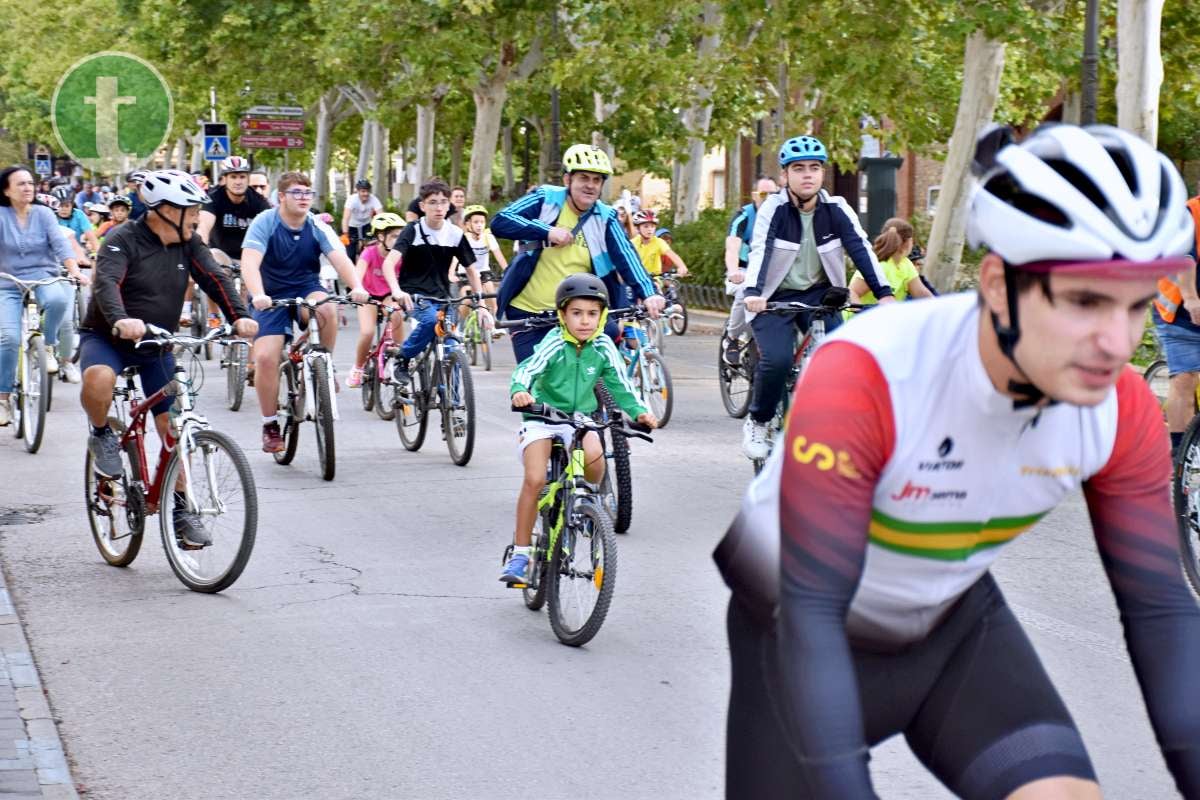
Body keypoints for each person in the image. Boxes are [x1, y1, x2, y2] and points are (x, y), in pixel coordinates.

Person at [715, 123, 1200, 799]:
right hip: (797, 631)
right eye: (1086, 301)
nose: (1116, 344)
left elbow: (1160, 611)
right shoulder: (869, 371)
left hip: (950, 625)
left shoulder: (1119, 408)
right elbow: (811, 611)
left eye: (1138, 307)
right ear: (999, 285)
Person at [79, 169, 254, 548]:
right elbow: (106, 283)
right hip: (108, 336)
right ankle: (101, 434)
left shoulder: (189, 241)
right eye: (191, 209)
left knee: (174, 427)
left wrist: (239, 316)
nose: (196, 216)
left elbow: (216, 278)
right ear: (164, 209)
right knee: (98, 377)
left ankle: (180, 510)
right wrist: (121, 319)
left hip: (157, 344)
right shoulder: (121, 239)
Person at [741, 135, 895, 460]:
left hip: (819, 295)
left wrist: (884, 294)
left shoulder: (836, 209)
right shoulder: (774, 209)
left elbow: (860, 249)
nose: (807, 174)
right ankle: (759, 419)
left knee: (844, 361)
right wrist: (754, 293)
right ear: (785, 176)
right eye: (798, 168)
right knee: (777, 361)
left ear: (823, 174)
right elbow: (760, 252)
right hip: (772, 297)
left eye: (814, 168)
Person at [502, 274, 657, 583]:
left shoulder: (602, 346)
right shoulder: (554, 341)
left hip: (580, 418)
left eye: (592, 313)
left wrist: (640, 412)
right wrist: (520, 390)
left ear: (601, 316)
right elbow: (527, 368)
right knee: (534, 479)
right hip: (542, 418)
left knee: (595, 460)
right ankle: (521, 553)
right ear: (563, 315)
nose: (585, 321)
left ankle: (586, 506)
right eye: (576, 313)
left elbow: (620, 384)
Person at [491, 143, 665, 362]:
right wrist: (547, 231)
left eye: (596, 180)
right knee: (532, 385)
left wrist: (649, 293)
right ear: (567, 180)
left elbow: (627, 257)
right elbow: (501, 221)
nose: (590, 186)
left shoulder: (605, 217)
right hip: (529, 313)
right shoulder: (546, 199)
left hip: (577, 315)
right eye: (583, 178)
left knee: (596, 373)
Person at [240, 172, 368, 452]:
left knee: (328, 310)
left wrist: (357, 286)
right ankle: (270, 424)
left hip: (305, 287)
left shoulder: (317, 226)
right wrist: (259, 294)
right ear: (281, 197)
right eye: (296, 193)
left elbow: (340, 260)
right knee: (264, 358)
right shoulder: (265, 222)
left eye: (307, 193)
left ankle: (324, 363)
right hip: (269, 294)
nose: (303, 198)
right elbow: (249, 263)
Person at [0, 166, 90, 425]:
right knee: (8, 337)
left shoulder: (43, 214)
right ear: (6, 190)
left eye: (30, 183)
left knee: (59, 299)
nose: (28, 188)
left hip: (43, 275)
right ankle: (3, 398)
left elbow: (61, 245)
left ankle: (49, 346)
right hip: (7, 282)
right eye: (21, 184)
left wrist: (75, 272)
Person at [380, 179, 477, 387]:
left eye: (443, 201)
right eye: (433, 202)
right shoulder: (412, 230)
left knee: (453, 349)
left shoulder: (455, 233)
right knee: (431, 321)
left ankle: (452, 408)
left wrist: (483, 306)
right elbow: (389, 264)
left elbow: (472, 270)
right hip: (414, 295)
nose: (439, 207)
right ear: (423, 206)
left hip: (444, 298)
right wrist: (397, 291)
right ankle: (403, 359)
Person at [1152, 190, 1200, 456]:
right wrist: (1191, 298)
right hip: (1179, 312)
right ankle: (1180, 456)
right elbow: (1184, 258)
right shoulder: (1189, 213)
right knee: (1185, 378)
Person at [346, 212, 406, 389]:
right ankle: (358, 367)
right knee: (367, 332)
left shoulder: (400, 255)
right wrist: (357, 290)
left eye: (400, 235)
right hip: (368, 296)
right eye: (394, 235)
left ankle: (400, 359)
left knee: (396, 316)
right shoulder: (369, 252)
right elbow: (357, 275)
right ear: (381, 236)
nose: (399, 239)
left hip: (389, 295)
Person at [845, 216, 933, 318]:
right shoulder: (879, 266)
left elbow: (922, 293)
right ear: (908, 242)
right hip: (857, 326)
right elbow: (852, 292)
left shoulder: (906, 264)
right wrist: (863, 319)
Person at [197, 156, 272, 263]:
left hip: (250, 257)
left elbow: (270, 231)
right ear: (225, 179)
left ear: (248, 179)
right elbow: (203, 227)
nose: (238, 182)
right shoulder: (213, 198)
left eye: (242, 177)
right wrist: (198, 256)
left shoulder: (258, 201)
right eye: (233, 177)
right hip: (220, 257)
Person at [456, 204, 507, 322]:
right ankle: (460, 325)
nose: (479, 225)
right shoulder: (464, 238)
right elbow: (456, 258)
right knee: (467, 300)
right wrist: (450, 273)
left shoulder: (488, 237)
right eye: (476, 222)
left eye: (482, 222)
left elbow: (499, 257)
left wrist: (508, 272)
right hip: (466, 273)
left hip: (483, 271)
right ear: (468, 224)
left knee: (491, 295)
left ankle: (494, 324)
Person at [631, 209, 688, 280]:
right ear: (638, 228)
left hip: (655, 279)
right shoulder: (632, 243)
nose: (650, 229)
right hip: (637, 279)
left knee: (657, 287)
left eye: (652, 226)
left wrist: (681, 266)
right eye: (646, 226)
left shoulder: (659, 242)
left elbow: (672, 254)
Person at [341, 179, 382, 264]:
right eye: (363, 191)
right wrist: (345, 234)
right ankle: (351, 272)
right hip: (352, 225)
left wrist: (383, 231)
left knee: (368, 249)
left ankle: (365, 269)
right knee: (350, 253)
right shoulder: (352, 200)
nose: (366, 194)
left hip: (366, 224)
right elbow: (345, 218)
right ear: (358, 191)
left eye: (367, 191)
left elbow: (381, 216)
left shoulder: (374, 199)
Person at [52, 186, 99, 258]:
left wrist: (99, 255)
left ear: (72, 205)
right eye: (60, 206)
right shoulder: (51, 217)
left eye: (67, 206)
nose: (64, 209)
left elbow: (91, 237)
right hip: (57, 255)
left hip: (78, 254)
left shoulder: (79, 215)